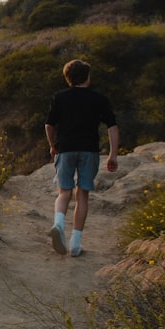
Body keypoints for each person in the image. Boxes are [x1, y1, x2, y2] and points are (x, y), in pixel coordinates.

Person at [44, 59, 118, 256]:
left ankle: (58, 224)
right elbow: (112, 126)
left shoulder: (60, 97)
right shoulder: (98, 98)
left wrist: (53, 146)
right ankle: (75, 243)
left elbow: (49, 125)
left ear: (68, 78)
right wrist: (113, 154)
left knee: (64, 192)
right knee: (82, 194)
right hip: (89, 150)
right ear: (87, 77)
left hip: (66, 149)